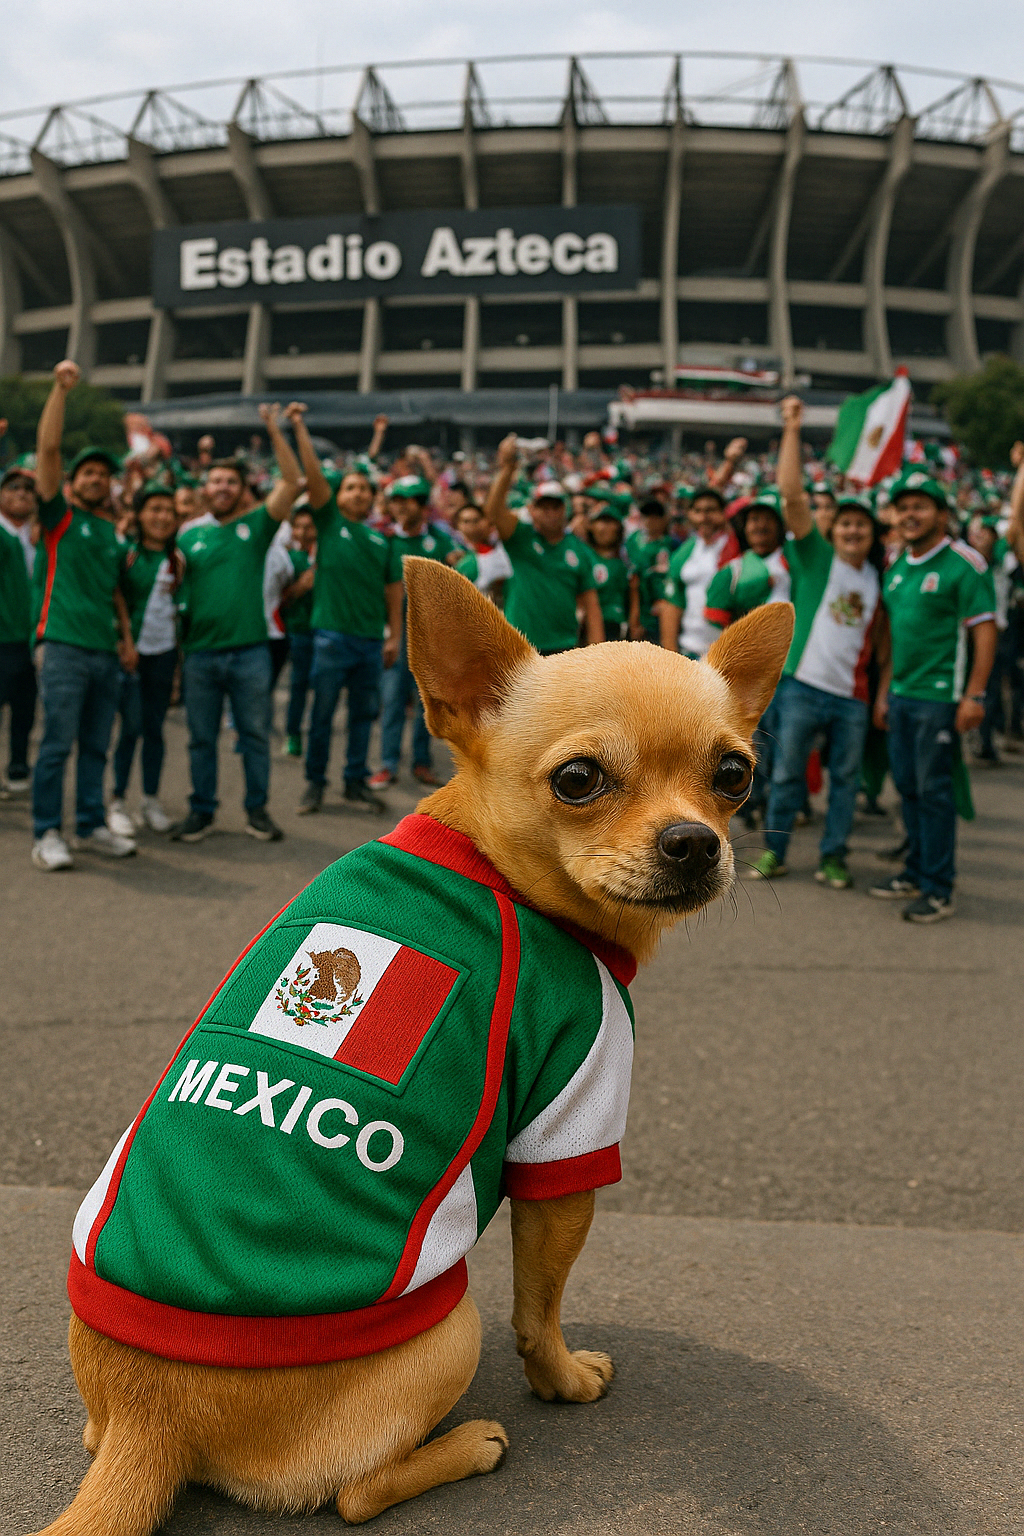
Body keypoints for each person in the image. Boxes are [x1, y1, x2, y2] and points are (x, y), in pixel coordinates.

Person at [749, 397, 886, 888]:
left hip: (851, 698)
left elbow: (882, 647)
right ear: (834, 528)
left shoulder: (879, 579)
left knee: (843, 785)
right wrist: (792, 427)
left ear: (872, 534)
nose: (852, 529)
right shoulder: (816, 559)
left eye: (861, 525)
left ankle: (834, 857)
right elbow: (790, 495)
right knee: (786, 778)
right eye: (845, 523)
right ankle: (775, 852)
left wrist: (881, 693)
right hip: (801, 688)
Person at [869, 467, 997, 922]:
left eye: (920, 506)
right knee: (907, 788)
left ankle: (939, 887)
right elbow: (892, 638)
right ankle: (916, 870)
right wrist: (885, 692)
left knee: (934, 792)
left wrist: (975, 695)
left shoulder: (964, 564)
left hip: (941, 698)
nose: (910, 515)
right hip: (903, 694)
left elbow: (984, 632)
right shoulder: (898, 565)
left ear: (941, 514)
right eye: (903, 508)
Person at [170, 405, 301, 844]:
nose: (223, 487)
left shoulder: (258, 526)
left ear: (243, 489)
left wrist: (273, 428)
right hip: (200, 655)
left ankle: (257, 811)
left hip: (250, 651)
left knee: (255, 736)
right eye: (216, 481)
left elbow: (293, 482)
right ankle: (201, 811)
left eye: (231, 481)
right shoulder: (186, 535)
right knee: (201, 739)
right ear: (203, 488)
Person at [30, 361, 138, 871]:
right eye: (88, 473)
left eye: (104, 473)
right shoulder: (59, 519)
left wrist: (126, 639)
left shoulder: (112, 533)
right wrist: (59, 390)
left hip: (104, 652)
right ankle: (46, 832)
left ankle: (91, 825)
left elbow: (115, 592)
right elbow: (48, 450)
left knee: (97, 745)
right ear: (73, 482)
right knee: (56, 745)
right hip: (63, 646)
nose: (97, 479)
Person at [284, 402, 403, 816]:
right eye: (350, 488)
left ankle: (354, 781)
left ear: (373, 498)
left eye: (365, 489)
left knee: (362, 717)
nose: (358, 493)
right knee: (322, 715)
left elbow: (393, 590)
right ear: (338, 496)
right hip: (331, 638)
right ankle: (315, 783)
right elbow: (314, 476)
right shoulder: (329, 524)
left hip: (370, 642)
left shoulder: (381, 540)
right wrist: (299, 427)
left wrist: (394, 635)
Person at [703, 487, 791, 822]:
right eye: (753, 519)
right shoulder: (733, 571)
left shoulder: (796, 562)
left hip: (794, 673)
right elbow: (715, 629)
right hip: (750, 677)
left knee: (785, 750)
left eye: (767, 518)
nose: (759, 525)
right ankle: (750, 805)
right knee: (752, 744)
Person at [369, 476, 460, 789]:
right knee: (392, 700)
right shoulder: (383, 540)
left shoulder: (442, 541)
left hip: (433, 637)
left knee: (427, 704)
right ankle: (388, 764)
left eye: (408, 501)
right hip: (396, 632)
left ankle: (422, 763)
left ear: (423, 507)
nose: (401, 508)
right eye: (396, 501)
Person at [108, 483, 182, 835]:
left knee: (155, 730)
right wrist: (124, 642)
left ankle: (150, 799)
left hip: (164, 655)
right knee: (131, 727)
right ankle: (117, 800)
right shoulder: (127, 553)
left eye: (168, 510)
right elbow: (115, 597)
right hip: (132, 656)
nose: (162, 516)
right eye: (154, 509)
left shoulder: (178, 559)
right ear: (138, 514)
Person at [485, 434, 602, 653]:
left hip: (564, 648)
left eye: (555, 507)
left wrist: (599, 654)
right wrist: (508, 469)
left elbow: (592, 606)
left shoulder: (579, 550)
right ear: (531, 510)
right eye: (543, 507)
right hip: (518, 646)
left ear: (564, 509)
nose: (550, 513)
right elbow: (493, 512)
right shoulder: (519, 537)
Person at [658, 485, 741, 658]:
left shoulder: (738, 545)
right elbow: (672, 605)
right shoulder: (684, 553)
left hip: (729, 655)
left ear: (724, 512)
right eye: (698, 511)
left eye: (711, 510)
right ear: (690, 514)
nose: (704, 517)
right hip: (690, 650)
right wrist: (671, 657)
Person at [0, 465, 38, 794]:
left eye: (28, 489)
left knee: (26, 708)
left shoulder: (39, 534)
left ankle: (18, 764)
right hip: (3, 637)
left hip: (32, 638)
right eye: (13, 487)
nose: (21, 494)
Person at [279, 506, 317, 758]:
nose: (303, 532)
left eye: (309, 526)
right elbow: (279, 598)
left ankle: (314, 736)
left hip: (324, 631)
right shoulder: (288, 558)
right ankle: (293, 733)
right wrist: (298, 588)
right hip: (296, 632)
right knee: (298, 684)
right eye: (298, 526)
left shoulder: (326, 557)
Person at [626, 498, 676, 642]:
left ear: (663, 520)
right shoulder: (632, 542)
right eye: (646, 516)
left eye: (655, 517)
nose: (650, 521)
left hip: (661, 607)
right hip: (636, 603)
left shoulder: (671, 544)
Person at [583, 504, 632, 641]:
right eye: (600, 521)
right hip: (584, 627)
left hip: (617, 628)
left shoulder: (626, 562)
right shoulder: (583, 557)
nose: (604, 528)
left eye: (610, 522)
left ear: (619, 528)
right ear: (591, 526)